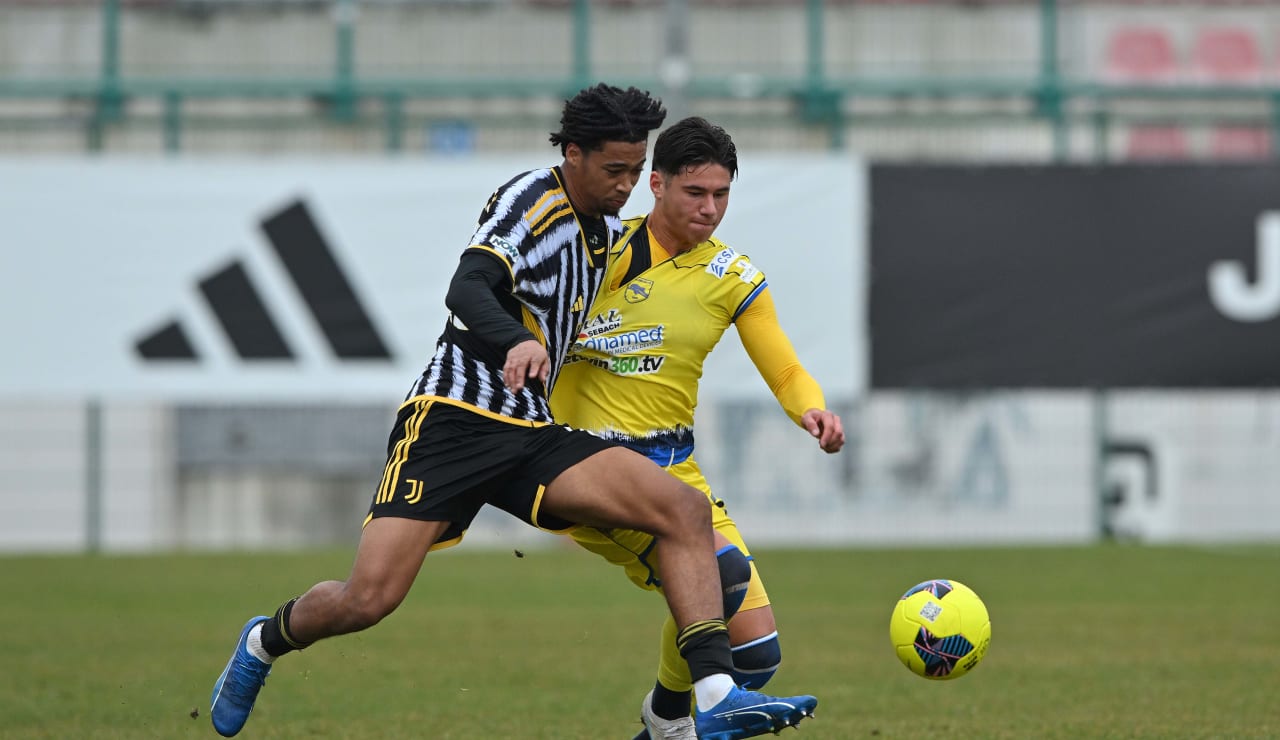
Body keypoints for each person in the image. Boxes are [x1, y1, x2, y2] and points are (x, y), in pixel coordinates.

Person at [208, 85, 818, 740]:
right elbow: (467, 284)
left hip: (530, 432)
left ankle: (710, 697)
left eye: (635, 173)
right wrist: (518, 340)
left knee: (684, 510)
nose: (625, 187)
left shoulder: (608, 234)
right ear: (574, 155)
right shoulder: (532, 198)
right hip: (455, 419)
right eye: (614, 171)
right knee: (369, 599)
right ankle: (263, 643)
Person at [547, 116, 845, 739]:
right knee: (723, 577)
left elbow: (785, 365)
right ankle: (676, 715)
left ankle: (664, 716)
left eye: (722, 194)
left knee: (755, 659)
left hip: (676, 470)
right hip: (591, 469)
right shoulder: (593, 255)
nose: (710, 209)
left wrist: (810, 408)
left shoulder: (731, 278)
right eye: (695, 193)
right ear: (654, 184)